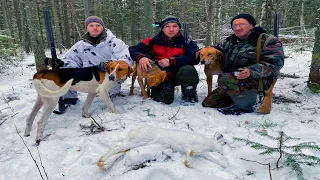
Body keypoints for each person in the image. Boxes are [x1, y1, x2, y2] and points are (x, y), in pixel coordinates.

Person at [202, 13, 284, 115]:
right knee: (208, 103)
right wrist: (203, 52)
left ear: (252, 26)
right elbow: (214, 49)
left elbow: (275, 63)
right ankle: (236, 96)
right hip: (232, 81)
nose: (237, 28)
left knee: (225, 78)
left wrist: (251, 71)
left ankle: (248, 104)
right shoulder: (230, 41)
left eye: (241, 24)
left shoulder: (267, 40)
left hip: (256, 80)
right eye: (234, 25)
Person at [54, 16, 133, 114]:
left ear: (103, 27)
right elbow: (70, 60)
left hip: (111, 80)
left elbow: (126, 61)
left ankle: (112, 94)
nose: (95, 28)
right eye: (91, 25)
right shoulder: (80, 45)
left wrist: (108, 64)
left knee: (107, 92)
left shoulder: (115, 43)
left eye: (98, 25)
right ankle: (69, 98)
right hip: (89, 80)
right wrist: (60, 64)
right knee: (65, 71)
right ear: (87, 28)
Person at [129, 16, 200, 104]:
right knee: (165, 99)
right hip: (160, 76)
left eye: (174, 26)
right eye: (167, 26)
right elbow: (133, 49)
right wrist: (141, 58)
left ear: (179, 28)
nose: (171, 29)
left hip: (179, 74)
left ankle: (189, 94)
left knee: (188, 70)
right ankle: (167, 89)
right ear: (162, 28)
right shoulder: (153, 41)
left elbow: (195, 57)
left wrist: (172, 61)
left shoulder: (187, 42)